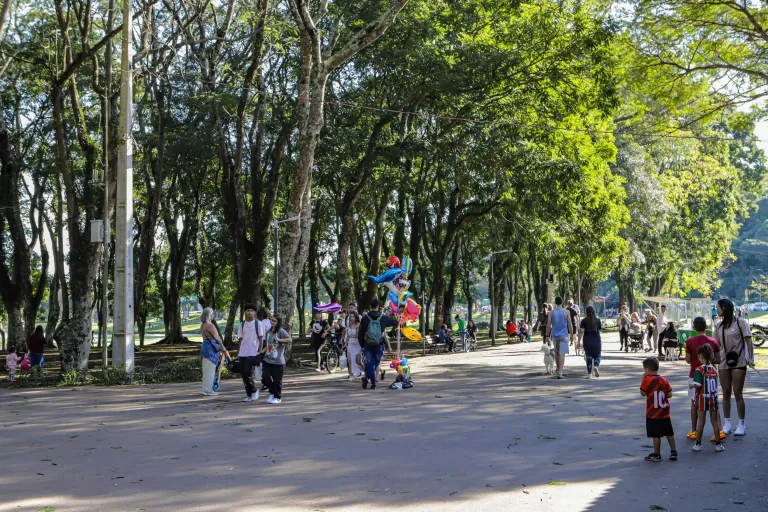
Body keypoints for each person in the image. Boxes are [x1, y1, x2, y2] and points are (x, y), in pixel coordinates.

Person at [713, 298, 754, 436]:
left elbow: (748, 340)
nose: (716, 310)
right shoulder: (718, 325)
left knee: (737, 392)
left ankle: (741, 424)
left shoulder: (740, 322)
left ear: (724, 309)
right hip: (723, 362)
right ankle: (727, 423)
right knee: (725, 392)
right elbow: (715, 345)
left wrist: (750, 358)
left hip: (739, 361)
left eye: (718, 307)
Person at [684, 316, 723, 442]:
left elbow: (688, 360)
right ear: (706, 327)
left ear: (694, 328)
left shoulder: (690, 341)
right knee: (713, 401)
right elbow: (718, 359)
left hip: (695, 374)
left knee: (694, 402)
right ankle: (719, 430)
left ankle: (694, 430)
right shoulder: (713, 341)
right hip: (711, 374)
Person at [640, 356, 678, 462]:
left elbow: (643, 393)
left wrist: (642, 380)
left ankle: (657, 454)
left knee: (656, 435)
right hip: (664, 412)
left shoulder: (647, 380)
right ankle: (673, 451)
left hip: (653, 413)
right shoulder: (664, 380)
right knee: (669, 433)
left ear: (647, 370)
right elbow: (669, 394)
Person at [689, 344, 724, 452]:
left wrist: (691, 385)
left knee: (701, 421)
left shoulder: (699, 369)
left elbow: (697, 385)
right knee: (714, 421)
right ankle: (718, 444)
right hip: (713, 398)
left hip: (702, 398)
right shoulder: (714, 369)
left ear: (701, 356)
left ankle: (698, 444)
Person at [358, 298, 393, 390]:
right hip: (379, 345)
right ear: (378, 306)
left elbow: (361, 333)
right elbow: (393, 323)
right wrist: (396, 317)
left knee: (370, 363)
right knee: (375, 364)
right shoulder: (383, 318)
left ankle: (367, 379)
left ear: (370, 306)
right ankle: (372, 382)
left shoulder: (365, 318)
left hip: (368, 344)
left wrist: (362, 344)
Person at [236, 303, 265, 402]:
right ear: (245, 312)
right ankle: (249, 394)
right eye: (248, 310)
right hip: (243, 352)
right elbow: (240, 339)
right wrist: (238, 352)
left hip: (253, 352)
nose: (250, 312)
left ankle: (254, 391)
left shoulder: (258, 324)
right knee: (243, 374)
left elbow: (261, 338)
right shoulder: (242, 324)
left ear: (255, 312)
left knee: (248, 373)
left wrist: (259, 351)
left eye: (252, 311)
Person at [260, 314, 292, 404]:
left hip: (278, 360)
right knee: (265, 377)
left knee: (277, 380)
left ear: (278, 322)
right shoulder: (268, 331)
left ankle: (277, 397)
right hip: (267, 358)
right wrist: (261, 351)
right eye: (271, 320)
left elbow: (289, 340)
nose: (272, 322)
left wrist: (278, 339)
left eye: (274, 321)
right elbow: (268, 344)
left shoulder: (281, 331)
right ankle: (272, 392)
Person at [200, 307, 231, 396]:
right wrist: (223, 348)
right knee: (211, 369)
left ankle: (206, 389)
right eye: (212, 314)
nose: (213, 315)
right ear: (209, 315)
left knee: (206, 370)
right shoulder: (210, 325)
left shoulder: (202, 325)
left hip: (205, 347)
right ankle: (210, 390)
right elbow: (217, 338)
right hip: (211, 348)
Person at [546, 297, 573, 379]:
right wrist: (572, 334)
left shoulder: (551, 313)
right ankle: (560, 371)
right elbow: (570, 324)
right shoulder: (566, 312)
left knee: (557, 353)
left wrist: (547, 335)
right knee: (562, 353)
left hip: (555, 335)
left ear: (555, 303)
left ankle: (558, 370)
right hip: (564, 335)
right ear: (562, 302)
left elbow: (548, 325)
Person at [579, 306, 602, 379]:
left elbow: (581, 332)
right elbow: (600, 330)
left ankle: (589, 374)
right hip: (596, 340)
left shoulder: (584, 321)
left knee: (589, 356)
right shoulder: (597, 320)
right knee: (597, 355)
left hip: (587, 341)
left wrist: (578, 341)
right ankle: (596, 366)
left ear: (586, 312)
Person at [343, 311, 363, 381]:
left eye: (353, 316)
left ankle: (367, 372)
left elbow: (358, 336)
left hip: (357, 343)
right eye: (351, 317)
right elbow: (348, 336)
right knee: (350, 360)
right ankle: (351, 375)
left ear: (356, 317)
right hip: (350, 343)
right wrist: (345, 344)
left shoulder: (358, 324)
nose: (352, 318)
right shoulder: (349, 325)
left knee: (358, 361)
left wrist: (357, 329)